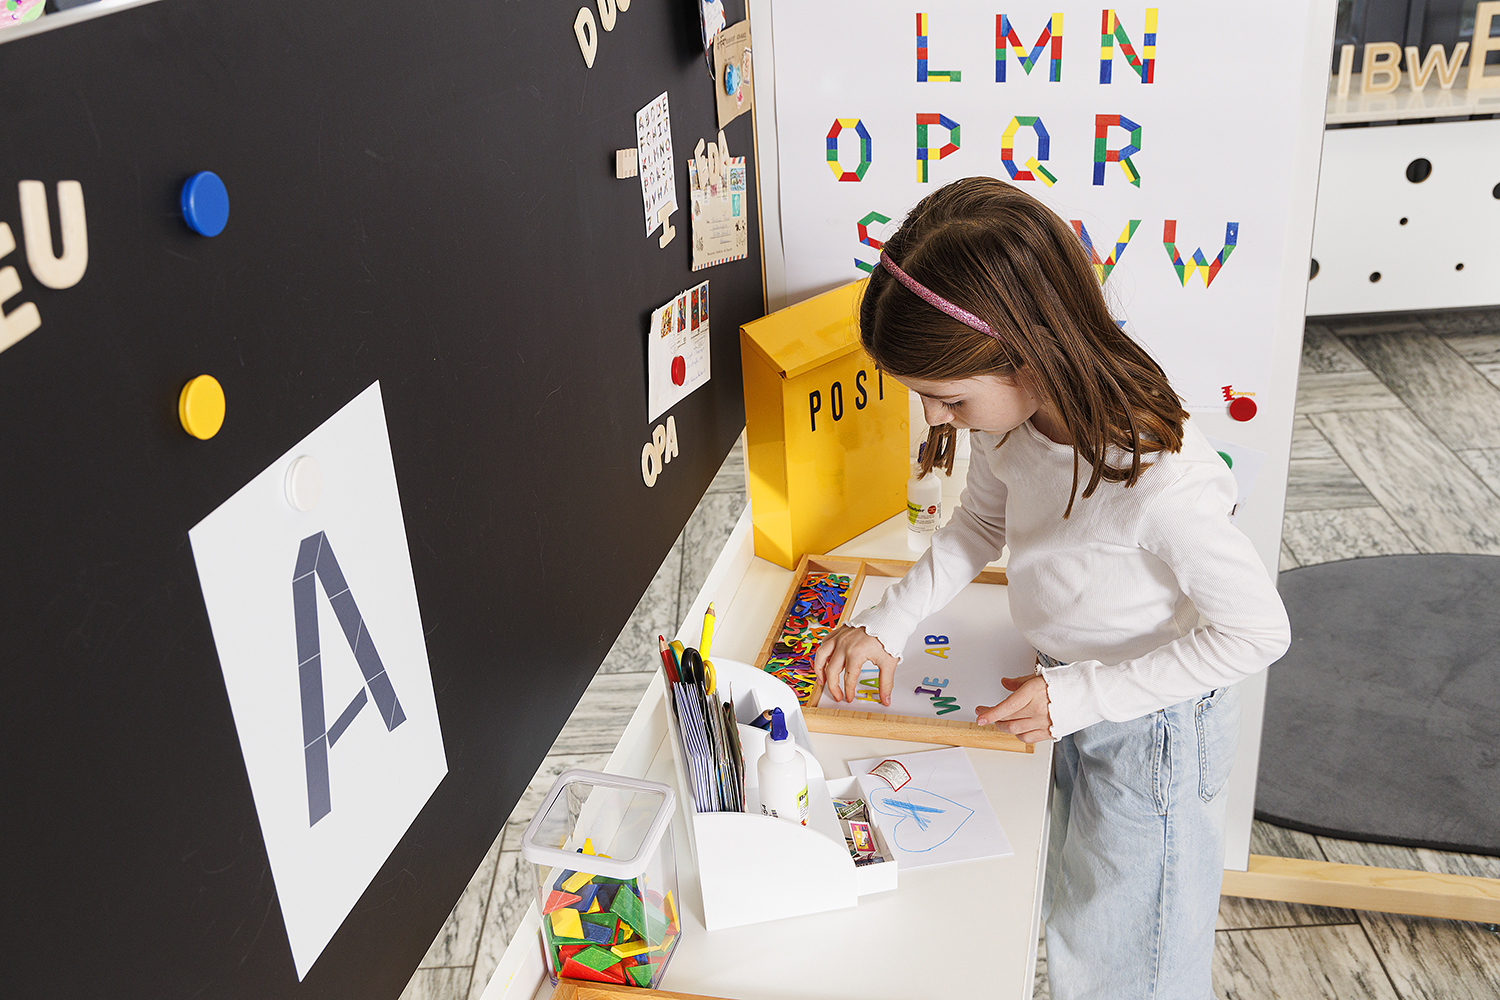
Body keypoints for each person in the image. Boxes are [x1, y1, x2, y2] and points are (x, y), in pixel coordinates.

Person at [811, 177, 1290, 1000]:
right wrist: (887, 625)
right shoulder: (1021, 421)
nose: (934, 419)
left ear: (1027, 353)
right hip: (1070, 693)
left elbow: (1256, 634)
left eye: (947, 398)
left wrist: (1081, 697)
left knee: (1128, 964)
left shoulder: (1161, 483)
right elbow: (976, 528)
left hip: (1151, 735)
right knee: (1079, 915)